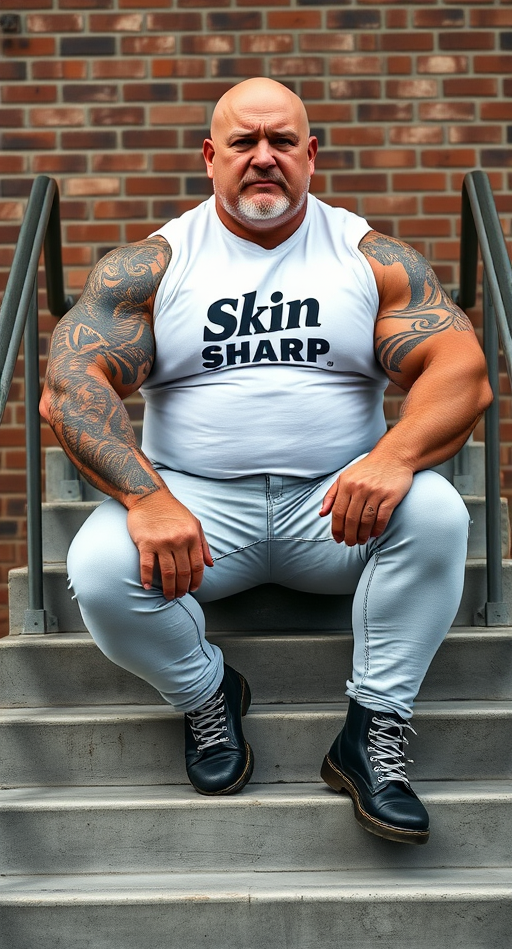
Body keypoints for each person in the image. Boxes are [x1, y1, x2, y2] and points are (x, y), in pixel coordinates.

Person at [40, 77, 492, 846]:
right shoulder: (152, 266)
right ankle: (209, 692)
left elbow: (461, 368)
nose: (263, 158)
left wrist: (391, 458)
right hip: (198, 516)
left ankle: (372, 737)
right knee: (99, 570)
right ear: (211, 157)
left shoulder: (369, 256)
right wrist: (147, 500)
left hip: (338, 510)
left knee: (439, 511)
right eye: (244, 142)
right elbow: (69, 387)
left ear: (310, 155)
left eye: (281, 141)